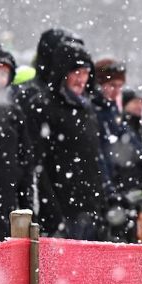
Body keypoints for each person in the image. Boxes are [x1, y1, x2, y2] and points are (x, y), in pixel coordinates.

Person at [24, 40, 109, 240]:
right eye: (76, 73)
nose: (82, 79)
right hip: (63, 209)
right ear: (63, 73)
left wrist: (102, 199)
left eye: (86, 73)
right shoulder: (43, 106)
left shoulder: (86, 108)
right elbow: (38, 164)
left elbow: (94, 158)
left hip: (89, 206)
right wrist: (53, 212)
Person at [0, 44, 30, 240]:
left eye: (3, 74)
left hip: (8, 196)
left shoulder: (14, 111)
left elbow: (25, 155)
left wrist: (25, 194)